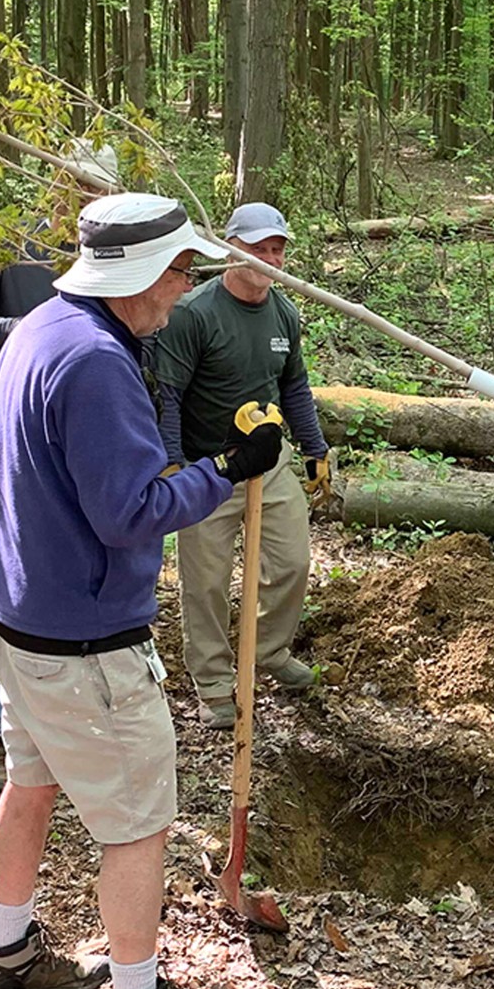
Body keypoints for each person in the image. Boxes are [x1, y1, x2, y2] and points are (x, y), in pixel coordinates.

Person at [0, 192, 282, 989]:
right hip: (81, 642)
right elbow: (130, 512)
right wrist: (226, 468)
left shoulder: (41, 325)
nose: (185, 291)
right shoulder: (97, 362)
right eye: (181, 273)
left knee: (30, 782)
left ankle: (8, 951)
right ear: (139, 273)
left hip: (16, 615)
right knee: (138, 826)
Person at [0, 140, 121, 797]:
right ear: (53, 183)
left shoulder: (110, 256)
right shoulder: (3, 241)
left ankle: (70, 726)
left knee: (80, 570)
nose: (84, 198)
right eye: (76, 185)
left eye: (97, 189)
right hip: (11, 437)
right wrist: (28, 328)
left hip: (88, 439)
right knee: (6, 575)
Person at [152, 201, 333, 729]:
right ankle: (213, 683)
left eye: (277, 250)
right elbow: (169, 394)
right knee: (206, 583)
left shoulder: (284, 313)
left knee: (293, 562)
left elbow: (294, 385)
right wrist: (172, 464)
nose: (270, 260)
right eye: (258, 249)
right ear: (230, 251)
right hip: (208, 470)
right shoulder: (195, 314)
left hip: (268, 464)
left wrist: (315, 449)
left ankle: (270, 651)